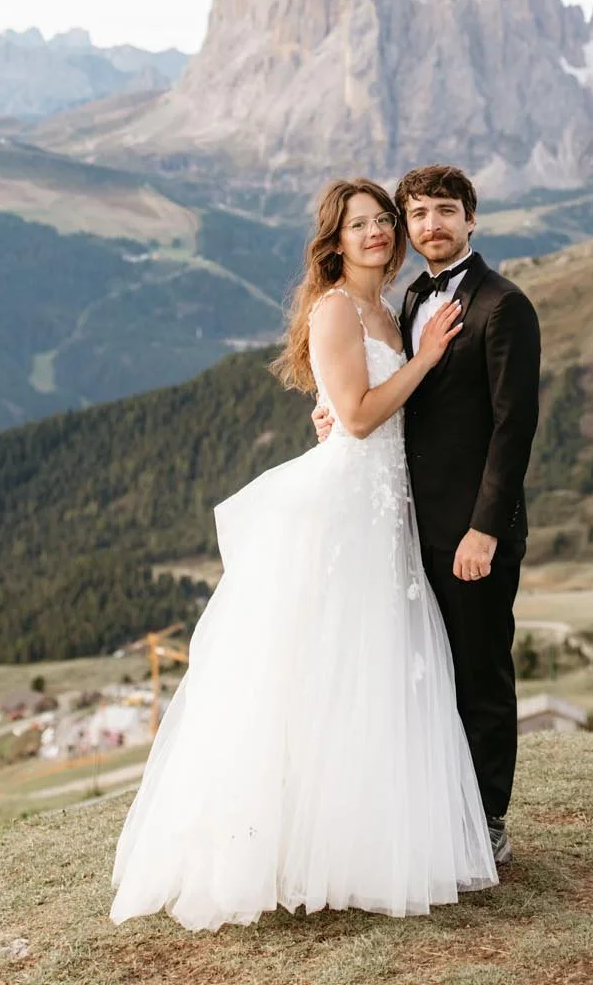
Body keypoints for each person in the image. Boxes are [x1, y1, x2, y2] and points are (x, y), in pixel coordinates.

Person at [110, 178, 496, 932]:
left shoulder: (389, 308)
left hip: (387, 510)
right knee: (318, 671)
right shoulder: (334, 308)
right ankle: (281, 850)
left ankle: (360, 847)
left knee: (372, 673)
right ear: (336, 241)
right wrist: (425, 360)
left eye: (384, 220)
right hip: (344, 506)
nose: (379, 232)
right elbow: (353, 416)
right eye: (361, 225)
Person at [313, 164, 541, 868]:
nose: (429, 226)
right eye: (416, 214)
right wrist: (336, 412)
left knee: (479, 677)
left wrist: (484, 529)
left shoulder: (504, 307)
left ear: (471, 219)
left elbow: (514, 428)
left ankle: (488, 821)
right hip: (404, 524)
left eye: (445, 211)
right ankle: (439, 818)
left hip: (471, 532)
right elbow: (391, 399)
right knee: (424, 676)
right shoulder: (407, 297)